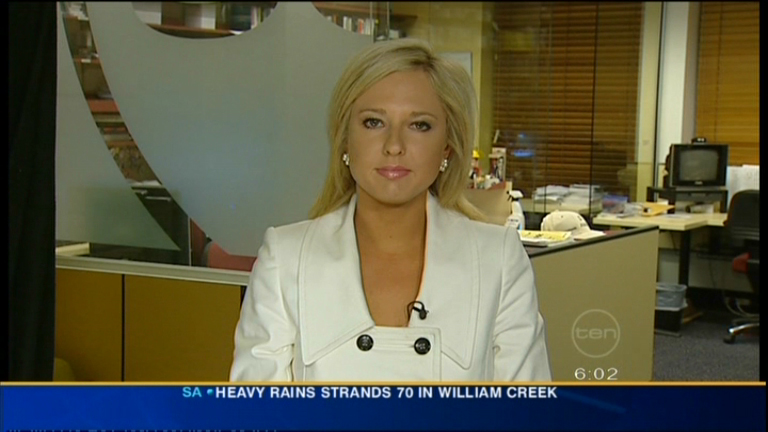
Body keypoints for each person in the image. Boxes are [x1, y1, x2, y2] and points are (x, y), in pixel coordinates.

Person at [230, 38, 552, 382]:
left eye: (419, 125)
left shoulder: (498, 260)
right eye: (373, 122)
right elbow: (256, 407)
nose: (394, 146)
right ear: (344, 138)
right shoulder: (286, 260)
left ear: (447, 146)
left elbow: (526, 406)